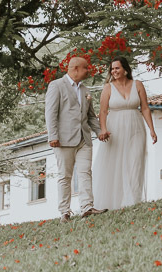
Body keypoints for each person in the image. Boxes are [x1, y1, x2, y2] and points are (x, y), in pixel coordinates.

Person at [92, 56, 158, 210]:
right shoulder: (108, 87)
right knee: (116, 164)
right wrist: (103, 129)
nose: (114, 71)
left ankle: (133, 202)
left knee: (135, 162)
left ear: (125, 69)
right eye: (112, 68)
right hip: (115, 128)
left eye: (117, 68)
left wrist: (152, 129)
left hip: (136, 127)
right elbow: (102, 111)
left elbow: (145, 108)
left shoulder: (138, 85)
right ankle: (113, 203)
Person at [44, 56, 105, 221]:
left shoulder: (85, 90)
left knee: (85, 172)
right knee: (65, 175)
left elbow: (91, 116)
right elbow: (50, 113)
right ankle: (64, 211)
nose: (88, 71)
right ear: (76, 68)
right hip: (63, 140)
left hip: (84, 139)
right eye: (86, 68)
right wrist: (53, 136)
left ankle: (87, 207)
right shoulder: (56, 85)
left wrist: (99, 131)